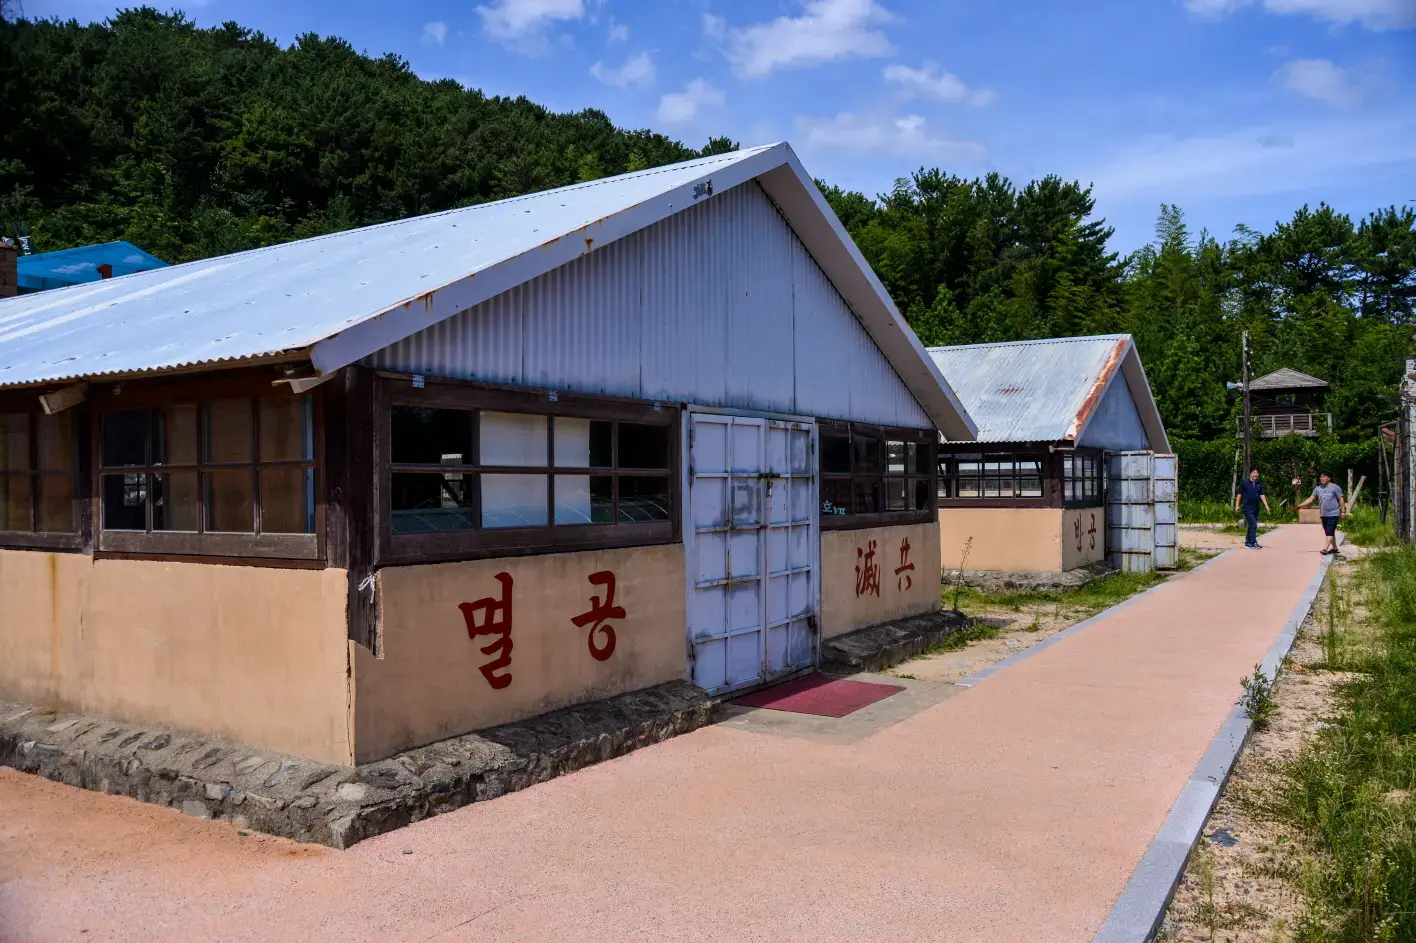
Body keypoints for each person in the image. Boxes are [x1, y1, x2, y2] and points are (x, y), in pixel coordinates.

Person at [1297, 471, 1347, 555]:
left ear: (1329, 478)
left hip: (1333, 513)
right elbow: (1311, 499)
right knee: (1329, 531)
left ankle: (1325, 549)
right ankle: (1334, 548)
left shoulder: (1335, 487)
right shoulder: (1318, 488)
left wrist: (1343, 512)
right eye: (1320, 477)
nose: (1322, 478)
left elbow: (1341, 499)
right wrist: (1300, 505)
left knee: (1330, 531)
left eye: (1324, 477)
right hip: (1323, 514)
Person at [1234, 467, 1271, 549]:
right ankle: (1253, 542)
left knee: (1251, 525)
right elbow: (1239, 494)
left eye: (1257, 473)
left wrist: (1266, 505)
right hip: (1247, 508)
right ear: (1250, 473)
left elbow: (1262, 495)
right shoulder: (1245, 483)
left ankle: (1247, 542)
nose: (1256, 474)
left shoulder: (1259, 483)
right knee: (1254, 524)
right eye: (1254, 473)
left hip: (1256, 508)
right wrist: (1237, 505)